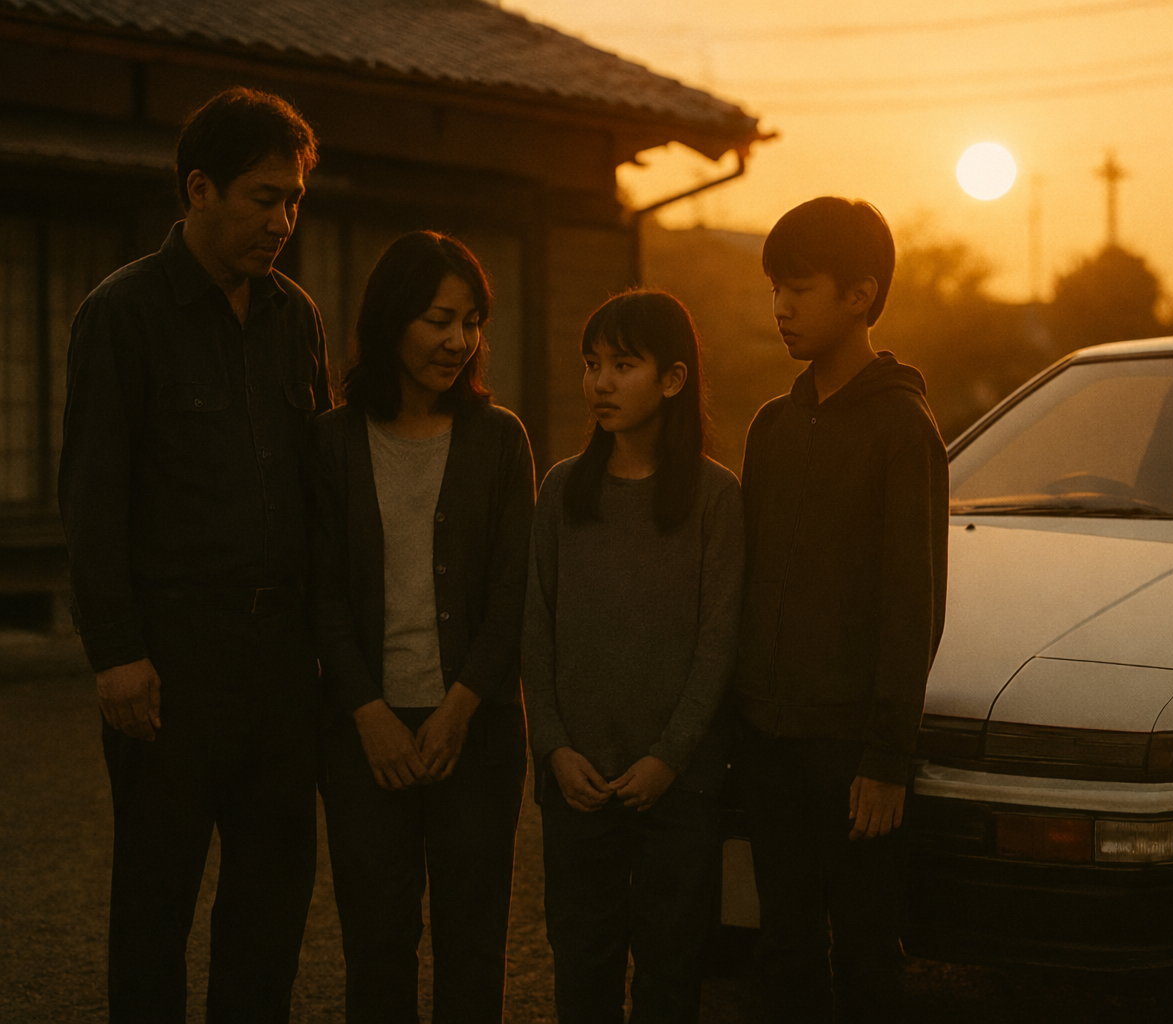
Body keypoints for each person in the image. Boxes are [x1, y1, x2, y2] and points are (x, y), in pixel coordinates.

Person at [56, 87, 327, 1021]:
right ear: (198, 188)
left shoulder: (295, 316)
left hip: (283, 662)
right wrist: (117, 654)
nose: (282, 220)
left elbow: (316, 490)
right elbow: (92, 500)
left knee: (272, 899)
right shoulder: (123, 314)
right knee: (155, 901)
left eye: (292, 199)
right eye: (262, 197)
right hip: (172, 659)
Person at [732, 197, 950, 1023]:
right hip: (767, 741)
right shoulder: (772, 427)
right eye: (773, 290)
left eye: (799, 288)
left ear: (860, 295)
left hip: (853, 754)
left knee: (865, 949)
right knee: (782, 944)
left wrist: (888, 757)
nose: (781, 308)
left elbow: (912, 602)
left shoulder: (902, 426)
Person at [309, 231, 535, 1022]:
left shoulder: (500, 439)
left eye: (471, 322)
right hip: (363, 735)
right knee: (376, 944)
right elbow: (322, 591)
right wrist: (366, 712)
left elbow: (515, 591)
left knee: (474, 946)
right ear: (393, 319)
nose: (458, 341)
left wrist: (462, 705)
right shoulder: (332, 441)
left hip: (477, 732)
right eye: (439, 319)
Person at [522, 289, 744, 1023]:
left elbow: (719, 639)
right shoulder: (561, 489)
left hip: (676, 788)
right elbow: (537, 628)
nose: (600, 383)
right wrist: (553, 748)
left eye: (623, 365)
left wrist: (670, 757)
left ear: (673, 379)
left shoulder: (715, 497)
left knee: (670, 976)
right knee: (581, 968)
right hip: (577, 781)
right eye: (591, 365)